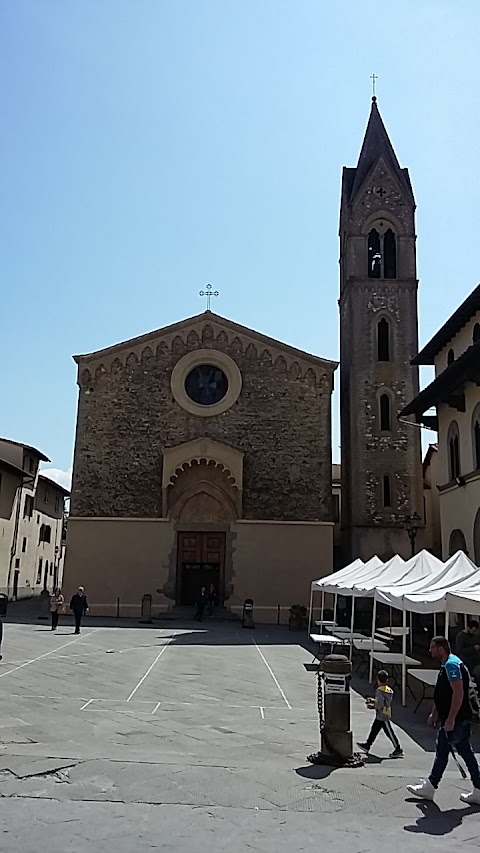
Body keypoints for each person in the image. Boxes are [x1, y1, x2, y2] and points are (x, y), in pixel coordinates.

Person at [408, 636, 480, 803]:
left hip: (457, 718)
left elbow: (458, 693)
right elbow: (443, 693)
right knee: (465, 751)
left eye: (432, 647)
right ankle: (478, 787)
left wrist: (451, 719)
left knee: (443, 751)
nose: (429, 650)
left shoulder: (451, 665)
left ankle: (431, 785)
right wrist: (435, 712)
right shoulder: (448, 664)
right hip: (454, 717)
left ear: (440, 648)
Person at [357, 670, 404, 758]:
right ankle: (367, 745)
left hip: (382, 715)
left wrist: (373, 706)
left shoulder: (379, 691)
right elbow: (384, 701)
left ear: (378, 680)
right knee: (374, 729)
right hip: (384, 713)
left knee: (389, 732)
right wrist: (374, 701)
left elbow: (380, 703)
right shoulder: (388, 690)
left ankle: (398, 748)